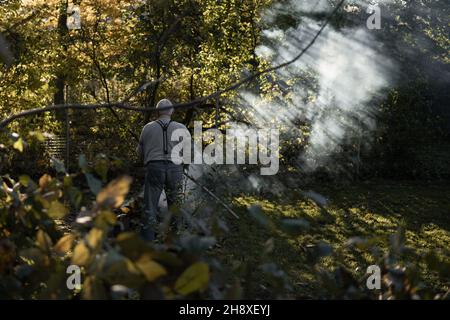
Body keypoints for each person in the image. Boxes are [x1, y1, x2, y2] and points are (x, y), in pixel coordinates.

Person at [137, 99, 188, 241]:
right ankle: (175, 241)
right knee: (175, 206)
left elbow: (139, 152)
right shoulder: (181, 128)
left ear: (157, 111)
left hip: (154, 168)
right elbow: (189, 153)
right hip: (175, 169)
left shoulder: (147, 128)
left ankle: (147, 242)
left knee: (150, 206)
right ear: (172, 111)